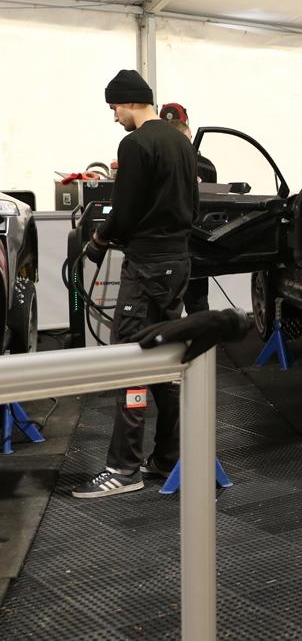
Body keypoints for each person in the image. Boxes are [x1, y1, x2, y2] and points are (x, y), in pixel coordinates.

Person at [73, 70, 199, 498]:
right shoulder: (181, 142)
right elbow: (192, 205)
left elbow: (124, 210)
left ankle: (124, 469)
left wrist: (99, 239)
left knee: (130, 360)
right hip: (177, 262)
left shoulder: (135, 143)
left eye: (114, 108)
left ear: (128, 102)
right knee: (165, 358)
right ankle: (168, 456)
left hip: (146, 266)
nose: (114, 117)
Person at [160, 102, 214, 314]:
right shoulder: (205, 165)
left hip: (177, 245)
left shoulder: (153, 157)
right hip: (186, 245)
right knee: (191, 306)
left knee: (175, 307)